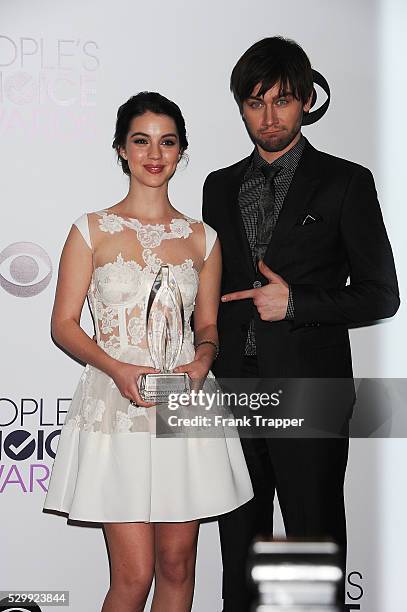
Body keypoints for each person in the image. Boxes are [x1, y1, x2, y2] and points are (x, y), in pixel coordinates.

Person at [202, 36, 399, 611]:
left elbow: (381, 295)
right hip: (235, 389)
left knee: (311, 544)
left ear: (308, 101)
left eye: (282, 101)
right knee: (239, 544)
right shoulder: (218, 185)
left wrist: (298, 303)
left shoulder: (346, 182)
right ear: (241, 106)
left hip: (310, 390)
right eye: (255, 102)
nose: (268, 117)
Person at [43, 91, 253, 612]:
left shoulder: (203, 239)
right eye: (141, 141)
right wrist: (116, 369)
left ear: (182, 151)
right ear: (121, 149)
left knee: (179, 566)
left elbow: (207, 324)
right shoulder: (90, 230)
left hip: (186, 404)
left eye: (167, 141)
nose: (154, 153)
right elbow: (64, 325)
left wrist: (203, 361)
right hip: (117, 404)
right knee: (134, 576)